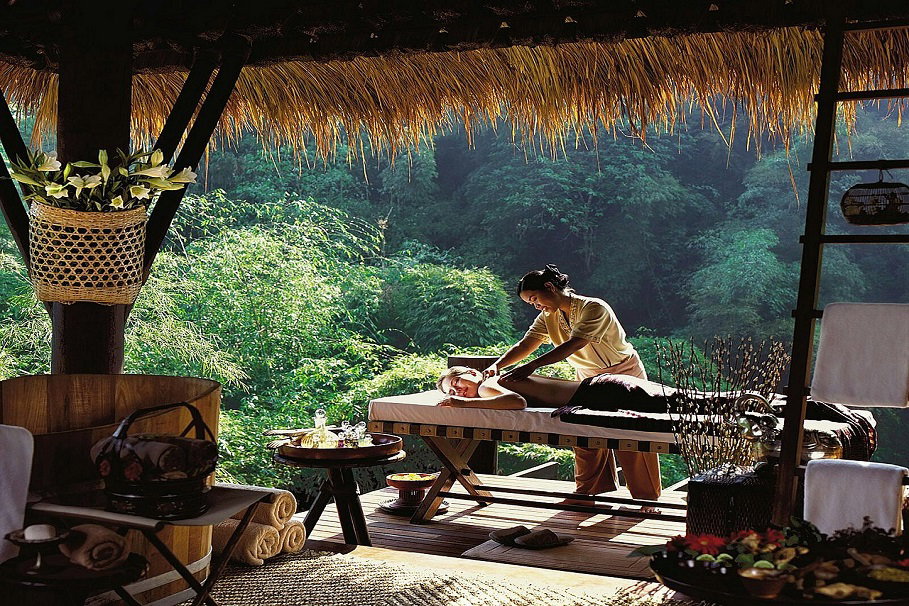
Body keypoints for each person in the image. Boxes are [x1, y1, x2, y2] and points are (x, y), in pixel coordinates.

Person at [482, 264, 662, 506]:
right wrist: (497, 366)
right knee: (585, 431)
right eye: (531, 303)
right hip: (587, 378)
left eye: (535, 299)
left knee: (631, 433)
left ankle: (648, 500)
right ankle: (587, 493)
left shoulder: (594, 307)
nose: (536, 306)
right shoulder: (548, 317)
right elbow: (526, 344)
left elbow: (575, 343)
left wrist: (532, 366)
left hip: (624, 373)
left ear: (549, 287)